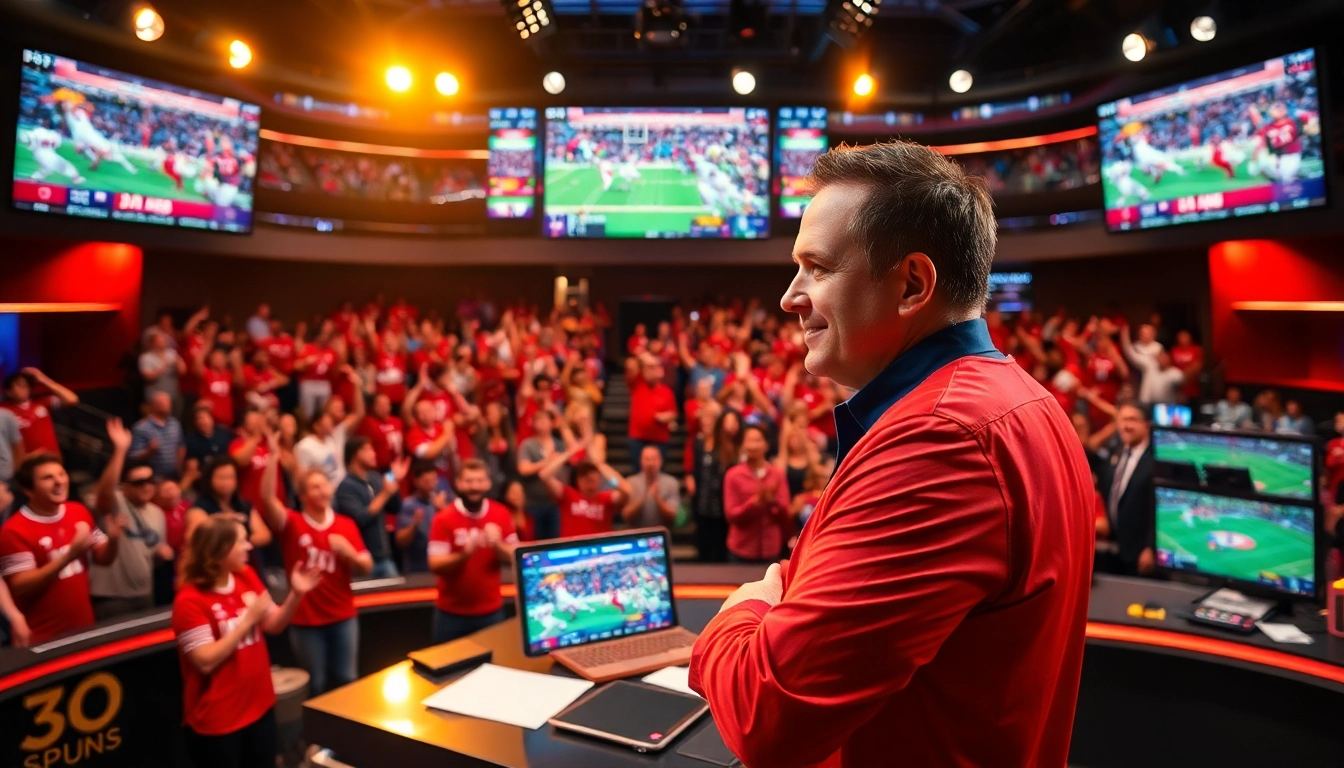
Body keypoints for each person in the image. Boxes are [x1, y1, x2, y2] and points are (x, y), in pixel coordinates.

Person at [689, 141, 1093, 768]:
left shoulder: (940, 440)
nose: (789, 298)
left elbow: (766, 715)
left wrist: (742, 612)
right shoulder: (1017, 401)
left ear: (912, 285)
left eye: (817, 268)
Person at [172, 515, 321, 768]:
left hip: (260, 707)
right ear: (219, 551)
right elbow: (205, 661)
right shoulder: (189, 601)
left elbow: (274, 624)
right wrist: (246, 623)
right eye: (241, 542)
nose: (249, 546)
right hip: (219, 722)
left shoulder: (245, 575)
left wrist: (295, 594)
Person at [260, 434, 372, 695]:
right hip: (306, 621)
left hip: (343, 616)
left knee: (347, 679)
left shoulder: (346, 525)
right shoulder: (293, 523)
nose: (322, 491)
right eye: (314, 487)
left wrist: (349, 553)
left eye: (324, 486)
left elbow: (366, 565)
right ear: (302, 495)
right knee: (316, 684)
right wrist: (274, 457)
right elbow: (267, 499)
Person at [0, 451, 122, 643]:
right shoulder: (14, 530)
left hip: (84, 628)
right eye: (48, 478)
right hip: (43, 637)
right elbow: (21, 586)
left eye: (61, 474)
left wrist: (114, 540)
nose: (59, 481)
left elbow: (103, 559)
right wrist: (70, 555)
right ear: (28, 490)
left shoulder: (78, 511)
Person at [427, 459, 519, 643]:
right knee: (448, 669)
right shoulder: (443, 518)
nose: (474, 487)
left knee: (495, 668)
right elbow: (435, 564)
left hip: (491, 612)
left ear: (488, 483)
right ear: (459, 484)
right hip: (450, 614)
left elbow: (516, 557)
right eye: (469, 481)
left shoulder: (501, 513)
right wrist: (465, 554)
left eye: (479, 481)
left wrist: (498, 544)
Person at [90, 419, 171, 619]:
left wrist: (162, 553)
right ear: (124, 486)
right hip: (112, 598)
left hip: (144, 594)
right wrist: (120, 450)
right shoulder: (116, 502)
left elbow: (150, 553)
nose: (146, 486)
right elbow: (104, 492)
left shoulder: (157, 513)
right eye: (138, 482)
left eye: (150, 481)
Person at [335, 437, 410, 579]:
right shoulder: (346, 487)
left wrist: (394, 479)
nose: (374, 454)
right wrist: (386, 493)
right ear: (356, 454)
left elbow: (395, 507)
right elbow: (361, 518)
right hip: (362, 561)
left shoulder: (375, 478)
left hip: (385, 556)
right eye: (369, 449)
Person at [1098, 402, 1156, 576]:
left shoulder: (1156, 462)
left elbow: (1160, 509)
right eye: (1122, 420)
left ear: (1146, 424)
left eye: (1132, 420)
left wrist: (1151, 547)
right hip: (1112, 549)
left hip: (1139, 554)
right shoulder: (1114, 455)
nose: (1126, 426)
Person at [722, 425, 791, 563]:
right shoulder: (733, 475)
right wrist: (754, 503)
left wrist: (773, 501)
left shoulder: (777, 474)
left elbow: (786, 512)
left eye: (757, 440)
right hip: (741, 550)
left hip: (770, 549)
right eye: (748, 441)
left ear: (766, 445)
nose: (753, 446)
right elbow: (731, 515)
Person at [539, 442, 630, 539]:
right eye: (584, 478)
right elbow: (544, 475)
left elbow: (626, 490)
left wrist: (600, 465)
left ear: (599, 479)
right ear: (578, 480)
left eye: (592, 478)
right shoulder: (567, 494)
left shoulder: (607, 498)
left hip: (598, 549)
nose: (588, 481)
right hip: (571, 549)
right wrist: (569, 453)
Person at [184, 457, 273, 550]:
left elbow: (265, 535)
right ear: (209, 480)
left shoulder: (243, 505)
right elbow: (194, 537)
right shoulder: (199, 507)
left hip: (244, 559)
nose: (227, 482)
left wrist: (242, 541)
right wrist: (221, 521)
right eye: (222, 478)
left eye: (230, 477)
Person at [294, 370, 365, 487]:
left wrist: (357, 385)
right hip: (325, 491)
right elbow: (301, 478)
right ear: (317, 426)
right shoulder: (304, 446)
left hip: (343, 486)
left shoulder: (336, 433)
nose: (331, 423)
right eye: (336, 407)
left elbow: (359, 413)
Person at [687, 407, 738, 562]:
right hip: (702, 501)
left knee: (719, 545)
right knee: (703, 543)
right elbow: (696, 469)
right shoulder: (698, 442)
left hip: (720, 503)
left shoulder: (725, 445)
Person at [2, 368, 79, 457]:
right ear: (8, 391)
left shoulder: (42, 403)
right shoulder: (4, 410)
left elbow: (72, 399)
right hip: (25, 464)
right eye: (18, 384)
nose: (23, 387)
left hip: (52, 459)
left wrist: (42, 378)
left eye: (25, 384)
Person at [396, 460, 448, 574]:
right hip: (417, 567)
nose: (431, 485)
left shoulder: (443, 500)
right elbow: (401, 541)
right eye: (426, 481)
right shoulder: (409, 504)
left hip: (442, 564)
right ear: (416, 481)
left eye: (434, 480)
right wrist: (414, 524)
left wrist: (442, 511)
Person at [625, 354, 678, 461]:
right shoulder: (637, 384)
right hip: (638, 438)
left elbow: (673, 413)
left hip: (659, 439)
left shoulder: (667, 391)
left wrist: (666, 417)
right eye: (649, 368)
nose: (651, 371)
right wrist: (644, 357)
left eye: (654, 368)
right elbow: (630, 364)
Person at [131, 391, 186, 481]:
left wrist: (180, 470)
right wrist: (149, 451)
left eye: (168, 402)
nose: (167, 404)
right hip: (151, 479)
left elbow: (181, 447)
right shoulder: (141, 427)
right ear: (154, 405)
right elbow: (132, 456)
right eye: (163, 402)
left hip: (173, 477)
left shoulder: (175, 424)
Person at [623, 444, 681, 529]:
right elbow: (626, 516)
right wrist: (642, 498)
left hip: (661, 534)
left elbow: (673, 516)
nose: (650, 463)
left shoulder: (671, 483)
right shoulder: (630, 482)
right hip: (637, 534)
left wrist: (657, 498)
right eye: (647, 459)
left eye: (654, 459)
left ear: (660, 461)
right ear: (641, 461)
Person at [183, 403, 233, 488]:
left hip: (226, 475)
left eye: (205, 417)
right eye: (199, 419)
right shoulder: (191, 440)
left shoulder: (224, 433)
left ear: (211, 419)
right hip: (205, 481)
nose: (202, 421)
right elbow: (192, 468)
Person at [140, 329, 187, 413]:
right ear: (153, 343)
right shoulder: (146, 357)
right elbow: (148, 376)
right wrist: (163, 366)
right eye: (160, 340)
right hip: (155, 399)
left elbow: (183, 371)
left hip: (173, 396)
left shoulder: (172, 354)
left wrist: (178, 362)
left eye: (164, 339)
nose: (163, 342)